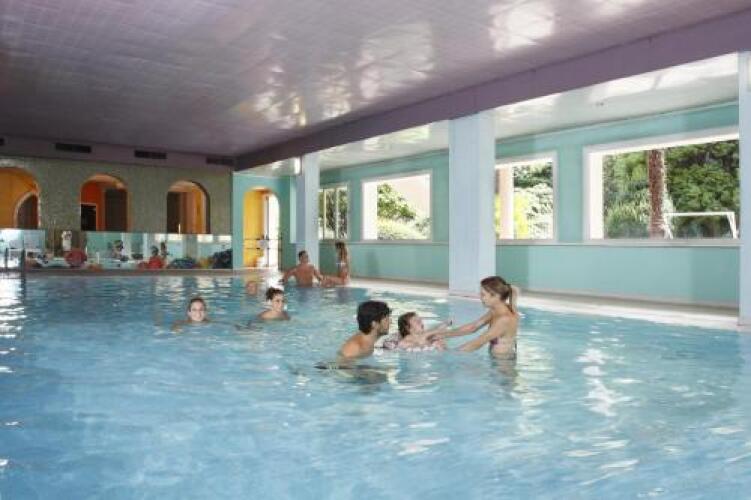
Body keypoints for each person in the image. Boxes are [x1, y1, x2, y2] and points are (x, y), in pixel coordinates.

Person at [431, 276, 519, 359]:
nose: (480, 297)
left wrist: (449, 352)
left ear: (495, 296)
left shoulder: (504, 319)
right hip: (497, 359)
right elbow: (473, 327)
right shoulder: (496, 310)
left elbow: (479, 342)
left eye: (483, 295)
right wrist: (442, 335)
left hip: (503, 362)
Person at [383, 312, 449, 352]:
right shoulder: (403, 343)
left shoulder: (427, 336)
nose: (421, 323)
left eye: (420, 320)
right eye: (417, 321)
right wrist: (432, 344)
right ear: (407, 327)